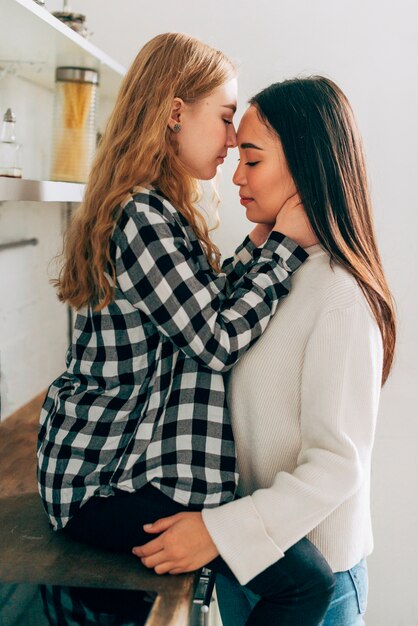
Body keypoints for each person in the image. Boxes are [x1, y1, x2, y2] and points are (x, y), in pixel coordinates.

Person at [37, 34, 334, 626]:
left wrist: (257, 248)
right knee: (305, 586)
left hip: (125, 471)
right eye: (225, 118)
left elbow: (202, 307)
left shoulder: (162, 212)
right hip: (100, 484)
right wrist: (281, 248)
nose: (231, 140)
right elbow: (215, 341)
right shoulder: (141, 215)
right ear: (175, 112)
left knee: (301, 581)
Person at [133, 76, 396, 626]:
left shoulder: (340, 295)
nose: (235, 175)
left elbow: (336, 467)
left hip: (314, 577)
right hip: (247, 562)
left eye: (251, 161)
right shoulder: (273, 272)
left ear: (305, 168)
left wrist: (216, 531)